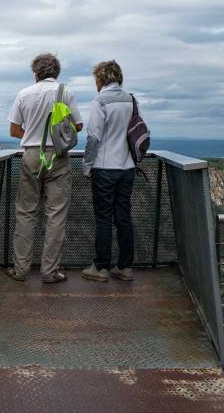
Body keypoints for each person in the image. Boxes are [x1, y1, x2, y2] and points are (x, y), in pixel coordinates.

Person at [8, 53, 83, 283]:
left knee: (26, 213)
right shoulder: (65, 92)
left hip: (31, 155)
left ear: (35, 72)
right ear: (56, 72)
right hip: (58, 157)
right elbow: (78, 125)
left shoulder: (24, 94)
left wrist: (33, 135)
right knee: (56, 215)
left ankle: (20, 270)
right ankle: (50, 272)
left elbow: (14, 130)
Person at [81, 60, 142, 282]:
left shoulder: (100, 101)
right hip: (127, 167)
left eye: (96, 78)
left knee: (104, 218)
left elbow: (94, 137)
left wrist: (87, 166)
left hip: (105, 168)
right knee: (124, 216)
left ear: (101, 78)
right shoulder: (131, 100)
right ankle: (125, 267)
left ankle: (101, 267)